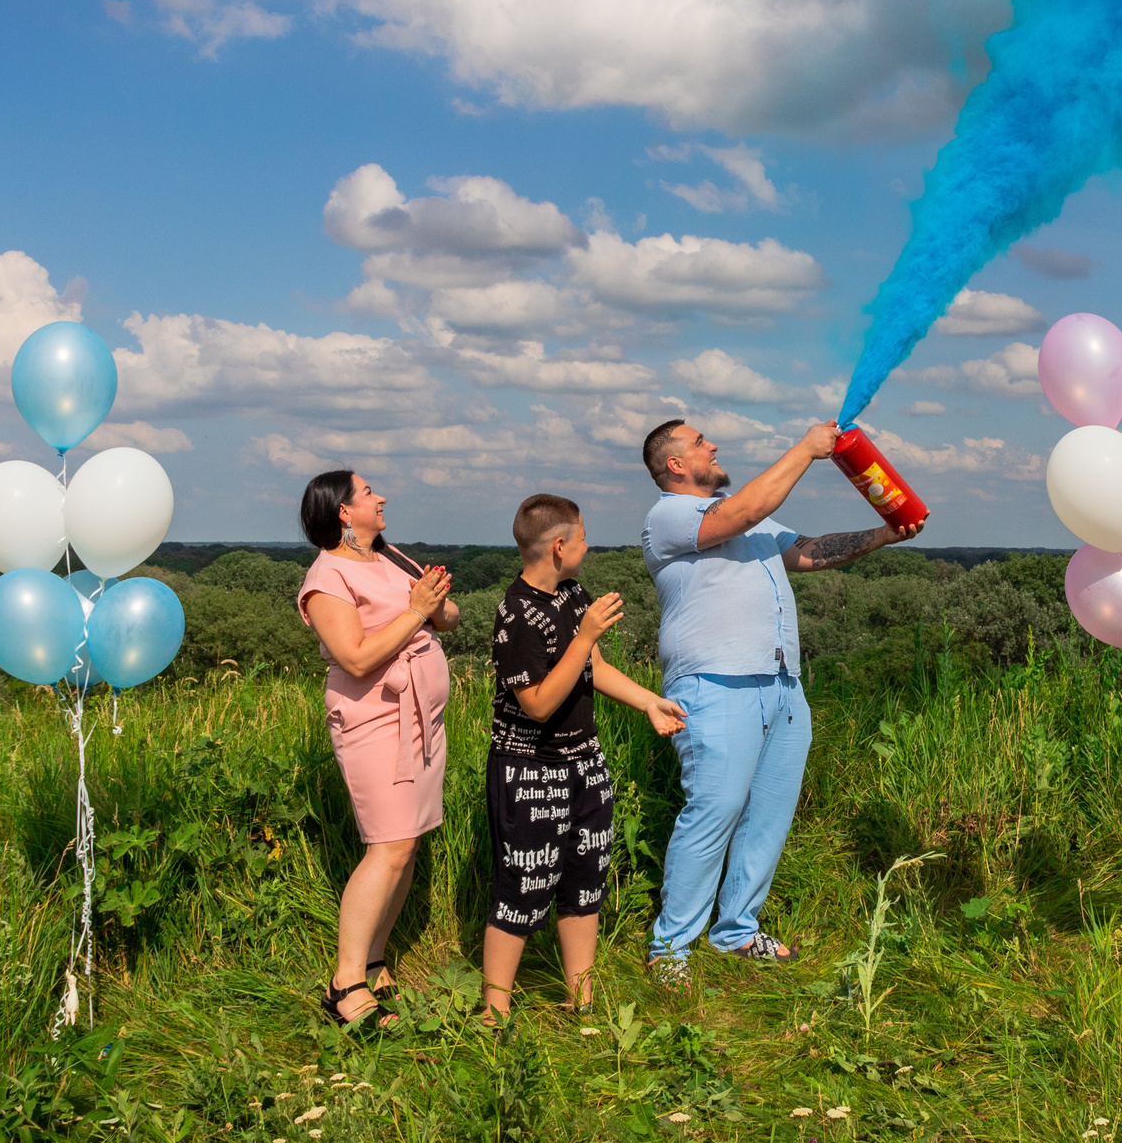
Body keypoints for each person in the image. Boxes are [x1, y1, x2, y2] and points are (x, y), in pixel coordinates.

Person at [639, 419, 926, 985]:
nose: (712, 444)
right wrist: (806, 449)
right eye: (699, 441)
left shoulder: (749, 512)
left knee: (767, 815)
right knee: (715, 810)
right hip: (715, 684)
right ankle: (670, 949)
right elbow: (738, 516)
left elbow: (809, 553)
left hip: (781, 682)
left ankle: (736, 931)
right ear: (674, 464)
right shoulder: (669, 515)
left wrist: (883, 535)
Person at [480, 493, 687, 1025]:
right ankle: (494, 1012)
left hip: (583, 763)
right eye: (582, 537)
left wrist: (649, 702)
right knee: (524, 883)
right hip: (529, 767)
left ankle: (582, 1000)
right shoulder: (516, 613)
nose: (588, 546)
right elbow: (540, 703)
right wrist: (588, 633)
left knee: (585, 877)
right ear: (558, 545)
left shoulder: (572, 595)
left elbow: (591, 668)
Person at [296, 469, 457, 1029]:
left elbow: (450, 620)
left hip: (420, 719)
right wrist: (416, 611)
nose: (381, 497)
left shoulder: (392, 556)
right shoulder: (326, 577)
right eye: (368, 492)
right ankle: (345, 986)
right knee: (386, 846)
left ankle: (374, 959)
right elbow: (357, 658)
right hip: (373, 721)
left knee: (406, 844)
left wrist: (433, 603)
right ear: (342, 510)